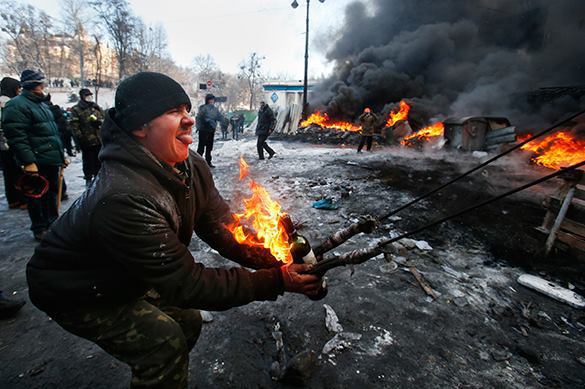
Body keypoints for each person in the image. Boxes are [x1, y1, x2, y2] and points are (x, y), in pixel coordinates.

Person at [26, 72, 322, 388]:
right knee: (162, 344)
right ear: (139, 127)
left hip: (125, 271)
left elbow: (224, 228)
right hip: (76, 288)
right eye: (172, 112)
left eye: (186, 109)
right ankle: (159, 369)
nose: (189, 120)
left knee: (188, 321)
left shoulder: (191, 164)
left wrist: (278, 260)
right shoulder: (122, 196)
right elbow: (187, 284)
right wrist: (277, 281)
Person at [2, 70, 66, 241]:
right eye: (40, 84)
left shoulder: (42, 105)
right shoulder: (16, 105)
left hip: (50, 157)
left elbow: (52, 132)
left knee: (51, 192)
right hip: (36, 160)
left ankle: (52, 223)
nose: (42, 87)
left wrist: (61, 155)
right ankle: (40, 227)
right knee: (37, 195)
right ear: (32, 85)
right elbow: (17, 136)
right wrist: (28, 161)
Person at [0, 76, 27, 209]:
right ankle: (22, 199)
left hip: (3, 145)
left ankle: (13, 199)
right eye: (17, 88)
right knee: (18, 172)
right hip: (11, 143)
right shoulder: (9, 103)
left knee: (8, 173)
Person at [70, 88, 104, 186]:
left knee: (99, 160)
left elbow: (103, 118)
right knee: (88, 161)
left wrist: (99, 122)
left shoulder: (95, 107)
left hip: (98, 139)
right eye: (86, 95)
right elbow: (74, 125)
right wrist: (80, 138)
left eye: (90, 95)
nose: (89, 97)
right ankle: (88, 179)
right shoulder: (77, 109)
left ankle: (99, 179)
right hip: (86, 140)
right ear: (82, 97)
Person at [196, 93, 222, 168]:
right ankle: (197, 163)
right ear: (207, 101)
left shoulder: (215, 109)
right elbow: (198, 117)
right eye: (210, 100)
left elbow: (219, 117)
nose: (211, 102)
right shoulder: (202, 108)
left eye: (213, 101)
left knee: (209, 147)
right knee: (201, 147)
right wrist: (199, 127)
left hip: (211, 131)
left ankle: (208, 162)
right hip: (203, 130)